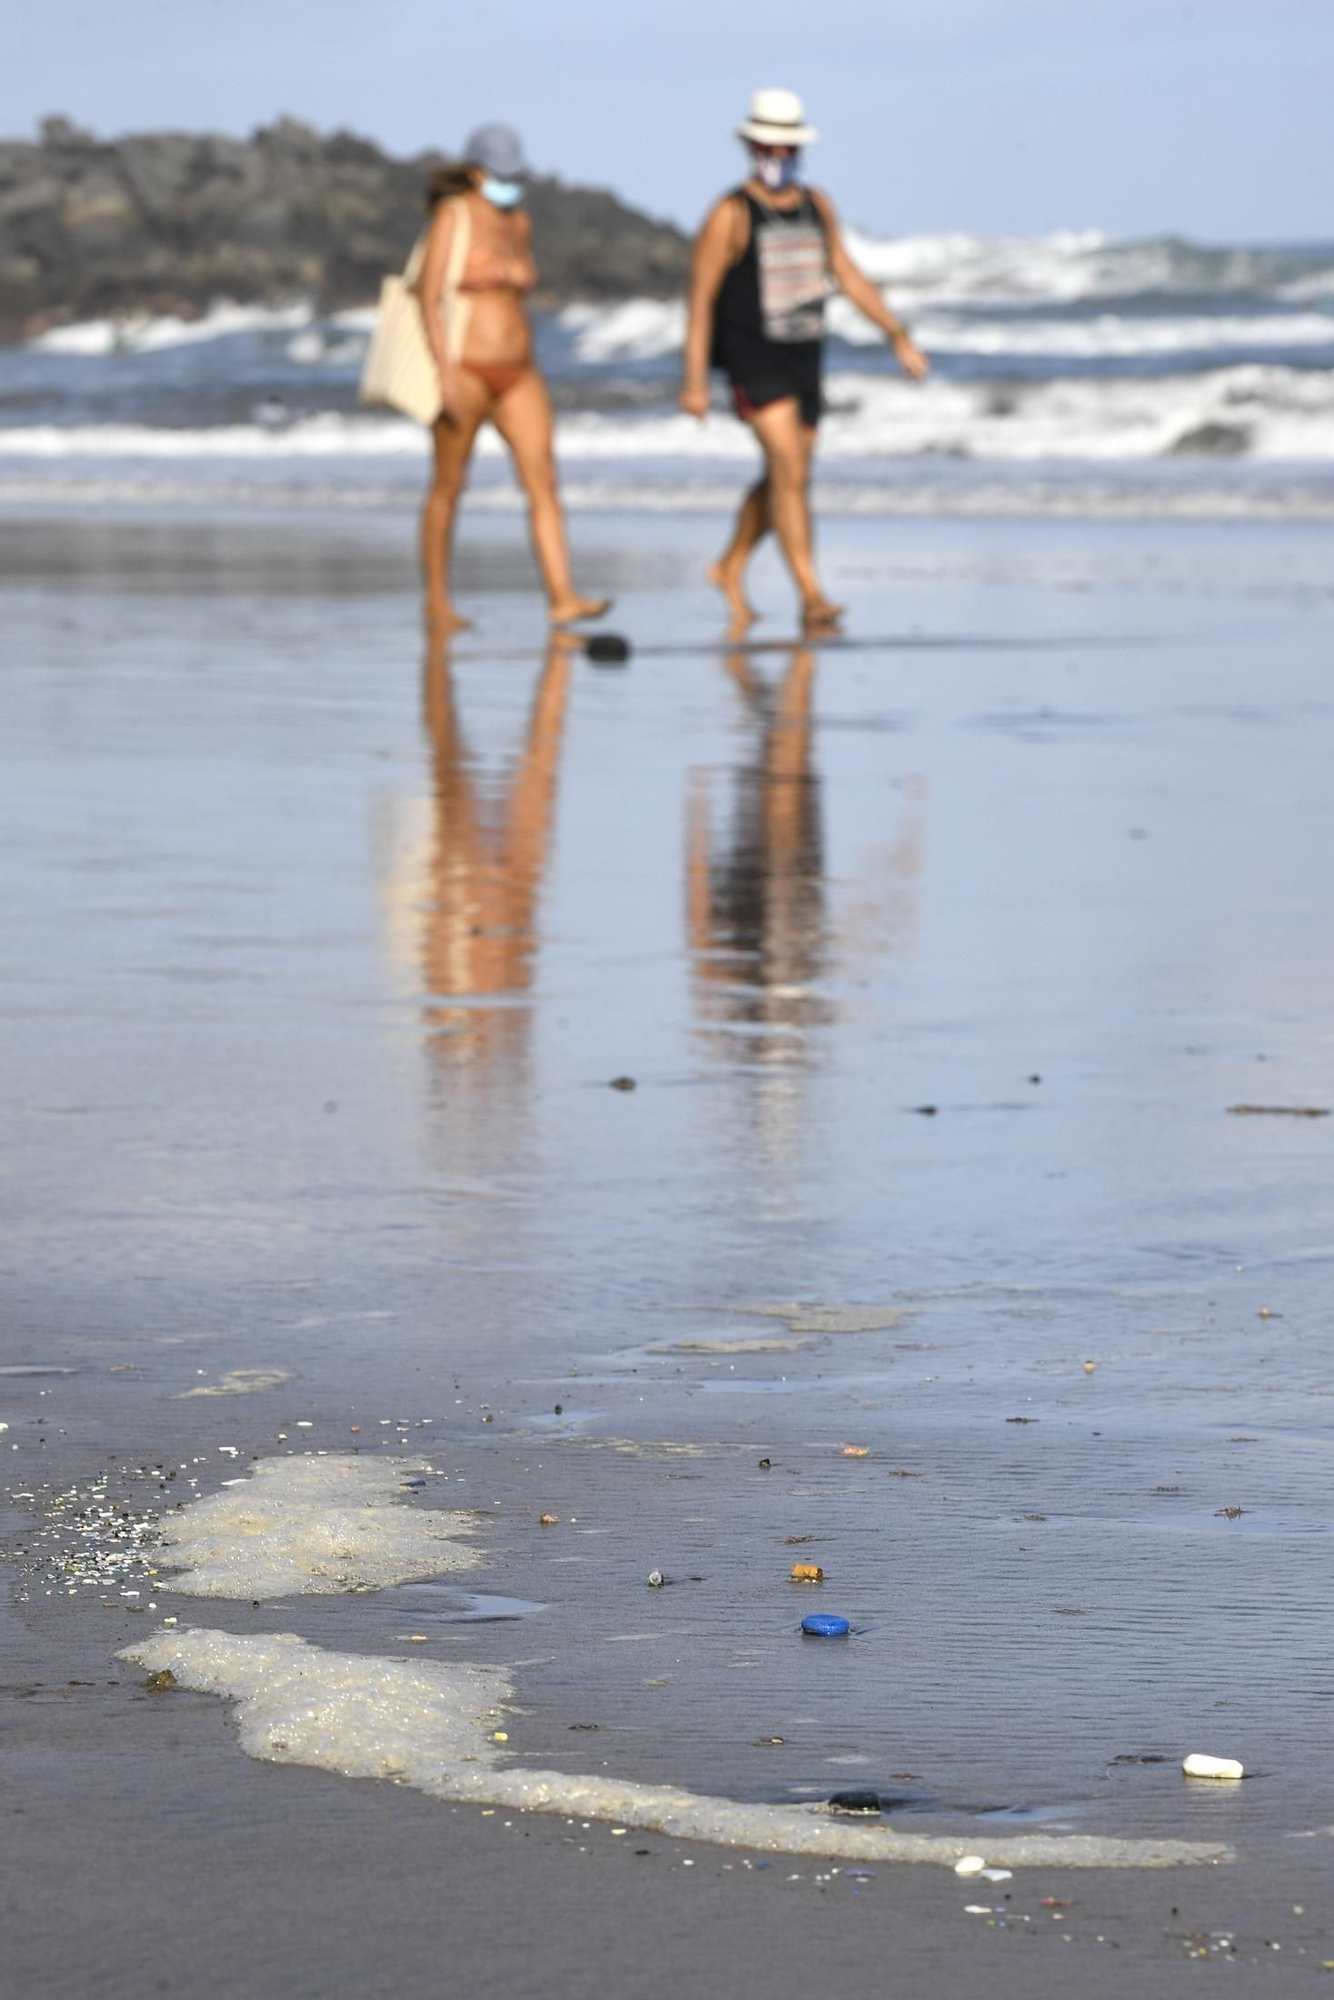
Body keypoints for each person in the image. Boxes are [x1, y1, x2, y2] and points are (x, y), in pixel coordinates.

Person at [681, 88, 929, 633]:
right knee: (790, 471)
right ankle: (812, 594)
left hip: (804, 355)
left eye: (786, 148)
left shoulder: (818, 205)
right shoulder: (731, 213)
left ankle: (729, 565)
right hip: (751, 356)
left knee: (786, 473)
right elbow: (699, 297)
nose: (778, 158)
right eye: (768, 148)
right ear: (751, 147)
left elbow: (847, 273)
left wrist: (896, 333)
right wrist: (695, 379)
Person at [415, 124, 609, 634]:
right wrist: (444, 373)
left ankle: (563, 595)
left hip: (520, 371)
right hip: (467, 367)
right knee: (449, 485)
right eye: (500, 175)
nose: (509, 184)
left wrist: (513, 273)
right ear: (477, 172)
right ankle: (436, 600)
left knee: (543, 479)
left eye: (514, 175)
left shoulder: (517, 221)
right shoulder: (453, 216)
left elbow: (521, 277)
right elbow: (427, 295)